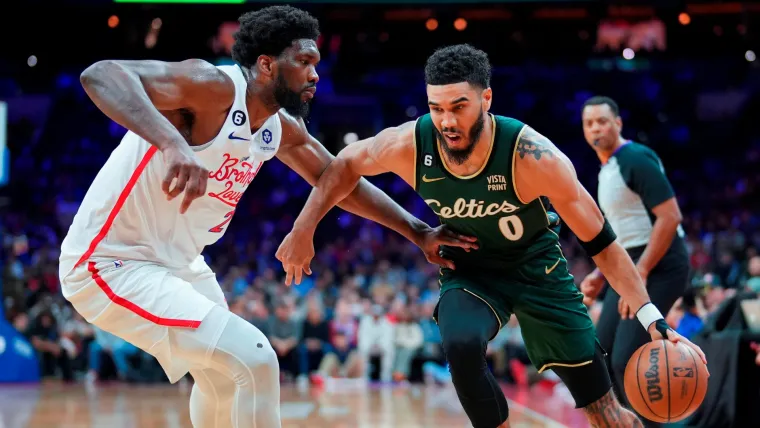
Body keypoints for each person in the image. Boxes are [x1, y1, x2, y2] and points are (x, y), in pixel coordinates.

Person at [57, 7, 474, 428]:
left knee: (221, 378)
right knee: (255, 357)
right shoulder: (212, 86)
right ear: (266, 64)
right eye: (304, 62)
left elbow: (339, 180)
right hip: (110, 262)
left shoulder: (280, 128)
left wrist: (418, 231)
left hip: (177, 263)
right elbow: (101, 74)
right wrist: (172, 144)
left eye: (317, 64)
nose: (315, 75)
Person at [276, 44, 708, 428]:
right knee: (461, 347)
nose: (446, 120)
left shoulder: (534, 156)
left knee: (606, 413)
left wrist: (653, 318)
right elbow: (343, 166)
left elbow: (603, 244)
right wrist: (304, 226)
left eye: (458, 106)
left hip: (539, 271)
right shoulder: (409, 143)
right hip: (472, 270)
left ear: (486, 99)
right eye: (436, 107)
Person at [578, 96, 692, 424]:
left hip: (661, 264)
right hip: (630, 265)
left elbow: (670, 217)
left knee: (628, 358)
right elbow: (622, 237)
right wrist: (601, 274)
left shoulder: (635, 159)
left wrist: (640, 271)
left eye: (602, 120)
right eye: (589, 123)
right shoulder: (607, 169)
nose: (596, 127)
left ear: (618, 123)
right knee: (600, 354)